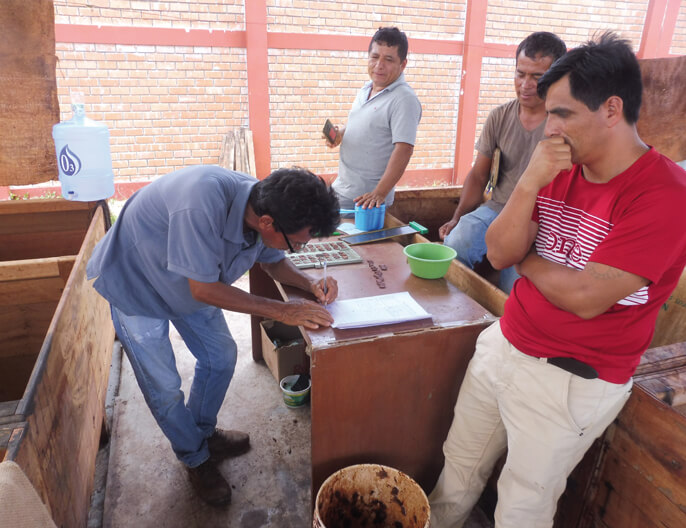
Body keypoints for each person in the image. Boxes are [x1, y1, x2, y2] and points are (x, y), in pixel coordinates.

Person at [429, 32, 686, 527]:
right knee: (456, 470)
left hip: (571, 380)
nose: (549, 126)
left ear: (611, 109)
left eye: (562, 113)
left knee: (522, 507)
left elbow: (586, 296)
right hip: (504, 344)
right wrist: (528, 181)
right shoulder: (557, 165)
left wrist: (527, 264)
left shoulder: (665, 194)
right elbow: (501, 249)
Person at [86, 166, 340, 508]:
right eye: (298, 243)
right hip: (136, 282)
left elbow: (274, 262)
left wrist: (308, 284)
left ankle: (203, 434)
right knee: (164, 388)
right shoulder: (200, 204)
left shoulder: (266, 205)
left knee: (220, 356)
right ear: (267, 223)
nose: (297, 249)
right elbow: (204, 288)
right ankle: (195, 457)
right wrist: (282, 311)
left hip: (189, 284)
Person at [440, 32, 566, 293]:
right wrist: (457, 217)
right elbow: (478, 175)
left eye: (537, 77)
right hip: (498, 209)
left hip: (545, 221)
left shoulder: (566, 124)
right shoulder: (499, 116)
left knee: (515, 291)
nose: (525, 84)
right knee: (457, 240)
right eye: (520, 74)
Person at [326, 26, 422, 210]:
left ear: (403, 64)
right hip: (342, 189)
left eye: (388, 59)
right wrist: (341, 133)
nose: (379, 65)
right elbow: (364, 125)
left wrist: (379, 193)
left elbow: (404, 150)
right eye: (375, 57)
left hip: (365, 202)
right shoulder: (367, 88)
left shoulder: (404, 99)